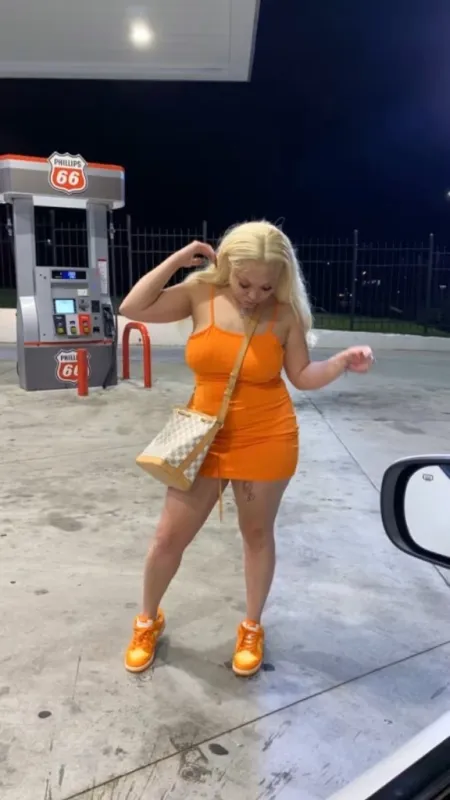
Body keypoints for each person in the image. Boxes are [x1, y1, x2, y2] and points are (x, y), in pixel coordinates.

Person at [119, 220, 374, 678]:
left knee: (257, 535)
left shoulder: (286, 315)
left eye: (266, 286)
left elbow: (302, 377)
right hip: (202, 438)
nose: (254, 294)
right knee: (168, 538)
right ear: (227, 267)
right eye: (244, 283)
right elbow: (132, 306)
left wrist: (339, 363)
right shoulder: (200, 294)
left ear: (281, 280)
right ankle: (147, 619)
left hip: (267, 437)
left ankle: (252, 626)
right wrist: (179, 260)